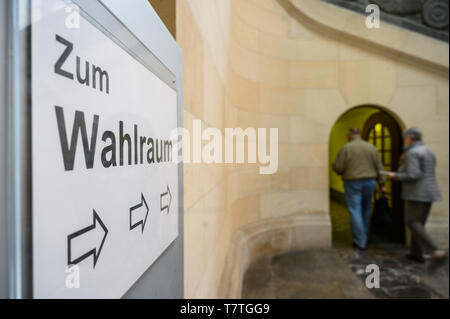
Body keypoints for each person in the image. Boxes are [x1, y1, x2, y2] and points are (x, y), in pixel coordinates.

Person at [388, 127, 447, 263]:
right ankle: (416, 253)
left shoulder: (412, 153)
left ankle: (435, 249)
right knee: (419, 223)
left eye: (405, 137)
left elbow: (413, 174)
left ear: (410, 138)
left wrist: (395, 175)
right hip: (430, 192)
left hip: (417, 193)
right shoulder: (428, 151)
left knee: (412, 222)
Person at [333, 128, 386, 250]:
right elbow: (379, 166)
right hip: (370, 182)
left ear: (349, 135)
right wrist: (382, 183)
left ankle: (360, 241)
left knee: (355, 210)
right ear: (360, 135)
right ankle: (365, 235)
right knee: (366, 209)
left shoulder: (346, 148)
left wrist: (335, 168)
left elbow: (339, 167)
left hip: (352, 182)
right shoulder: (371, 147)